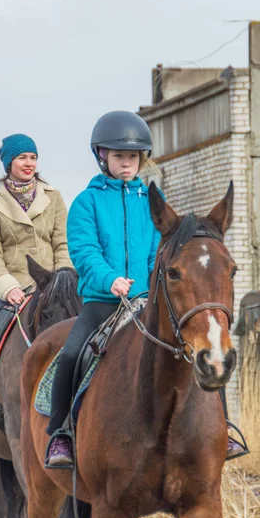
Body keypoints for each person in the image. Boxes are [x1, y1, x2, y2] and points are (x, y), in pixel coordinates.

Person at [45, 110, 161, 466]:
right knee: (71, 354)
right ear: (102, 157)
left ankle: (223, 424)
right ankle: (60, 434)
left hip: (147, 301)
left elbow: (161, 248)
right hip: (103, 301)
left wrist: (151, 283)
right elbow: (83, 252)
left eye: (133, 157)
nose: (127, 164)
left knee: (194, 347)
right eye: (119, 156)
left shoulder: (153, 202)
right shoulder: (86, 203)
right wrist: (110, 279)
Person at [0, 133, 72, 440]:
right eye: (22, 158)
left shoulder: (54, 197)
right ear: (9, 162)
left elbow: (62, 243)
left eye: (33, 158)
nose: (29, 163)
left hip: (53, 286)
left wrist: (63, 278)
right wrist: (7, 286)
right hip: (13, 289)